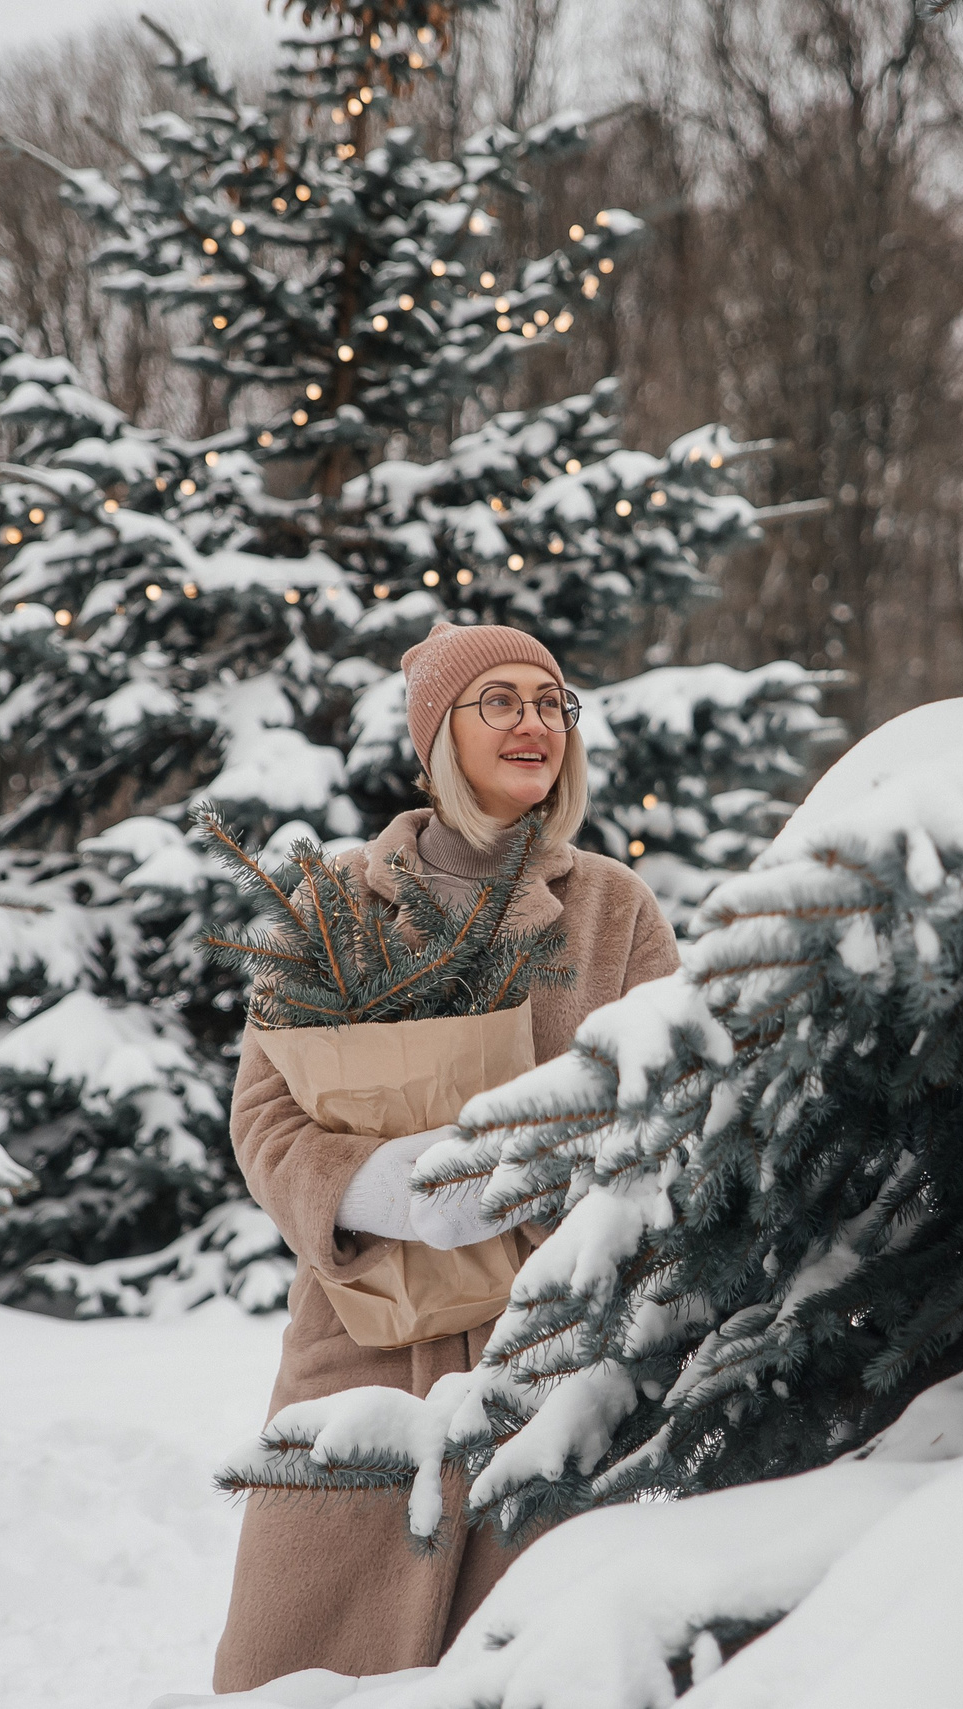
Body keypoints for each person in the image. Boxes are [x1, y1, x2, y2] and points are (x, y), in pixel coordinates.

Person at [212, 623, 681, 1692]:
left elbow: (672, 1108)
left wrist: (538, 1176)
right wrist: (393, 1193)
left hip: (547, 1350)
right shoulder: (333, 900)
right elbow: (265, 1120)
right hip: (362, 1342)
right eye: (500, 700)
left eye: (551, 701)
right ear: (436, 735)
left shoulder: (614, 907)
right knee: (301, 1659)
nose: (534, 722)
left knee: (520, 1665)